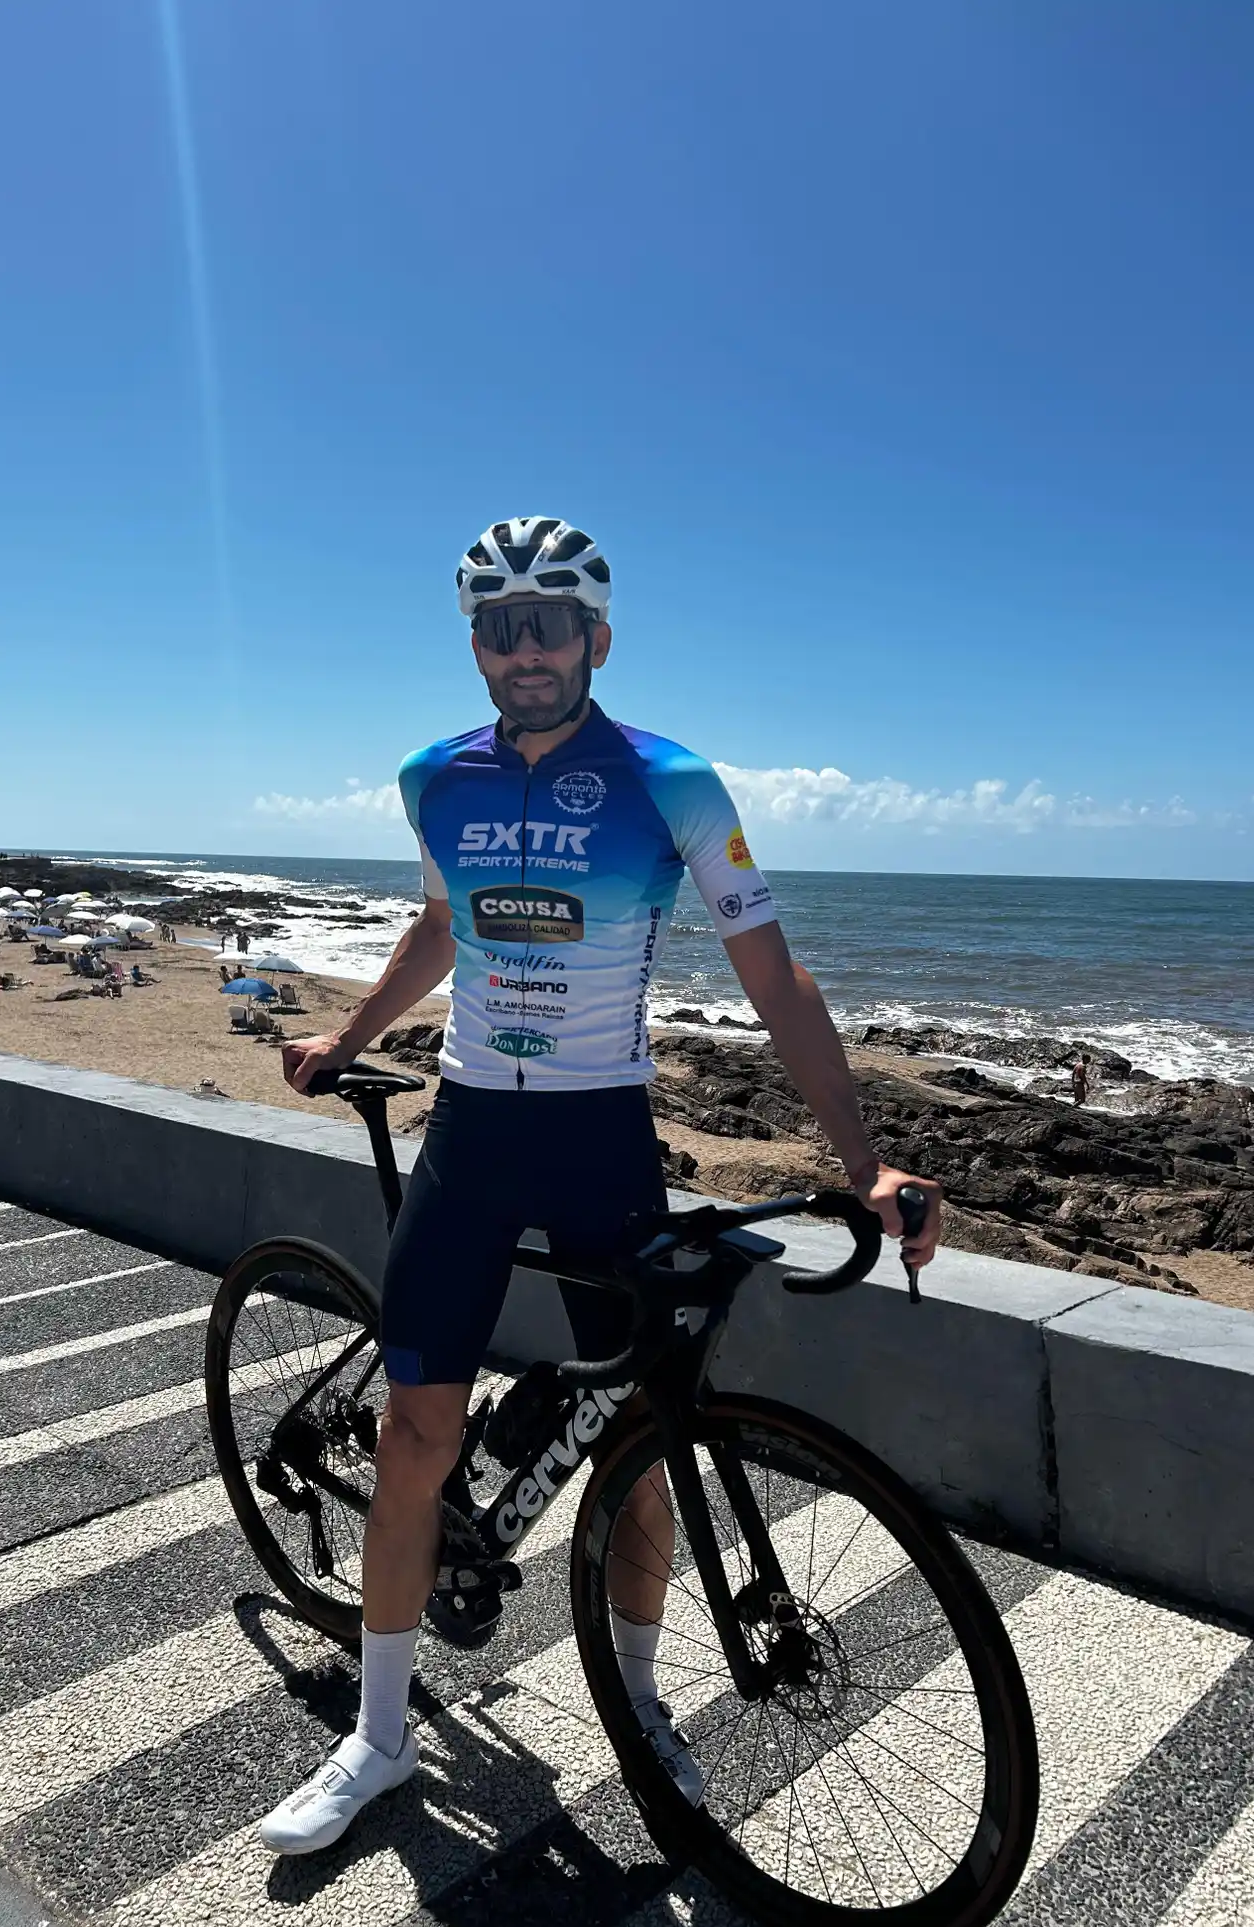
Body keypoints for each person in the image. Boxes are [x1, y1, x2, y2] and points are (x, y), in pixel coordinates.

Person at [261, 519, 943, 1855]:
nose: (526, 650)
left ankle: (639, 1704)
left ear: (598, 640)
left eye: (551, 624)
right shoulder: (432, 778)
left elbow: (773, 976)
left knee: (638, 1441)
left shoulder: (673, 783)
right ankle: (381, 1737)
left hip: (600, 1136)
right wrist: (348, 1036)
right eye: (500, 627)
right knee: (415, 1434)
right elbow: (444, 924)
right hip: (471, 1129)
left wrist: (865, 1162)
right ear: (476, 647)